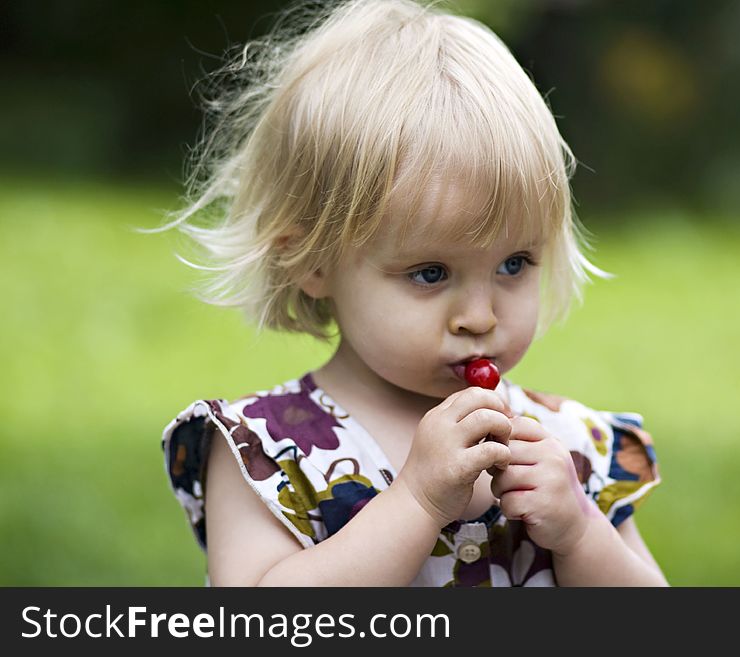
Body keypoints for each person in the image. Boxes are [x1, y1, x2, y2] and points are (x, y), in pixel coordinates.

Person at [156, 0, 668, 586]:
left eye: (514, 263)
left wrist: (580, 532)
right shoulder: (270, 453)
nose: (479, 317)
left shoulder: (572, 449)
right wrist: (418, 502)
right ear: (311, 262)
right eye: (430, 273)